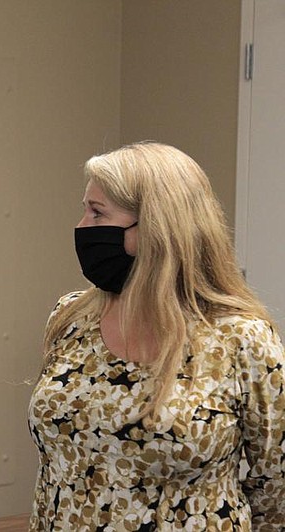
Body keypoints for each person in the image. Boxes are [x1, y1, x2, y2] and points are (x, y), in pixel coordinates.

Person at [28, 142, 285, 530]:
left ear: (156, 229)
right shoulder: (70, 317)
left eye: (97, 213)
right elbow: (55, 474)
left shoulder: (240, 338)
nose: (82, 227)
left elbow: (275, 487)